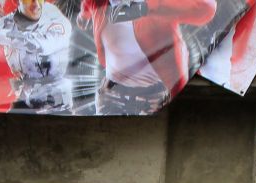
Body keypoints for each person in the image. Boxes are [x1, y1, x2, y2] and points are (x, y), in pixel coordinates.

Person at [78, 0, 217, 114]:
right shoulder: (97, 3)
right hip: (110, 94)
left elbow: (207, 7)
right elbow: (85, 10)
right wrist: (83, 18)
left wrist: (145, 7)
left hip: (154, 98)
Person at [0, 0, 74, 113]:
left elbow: (41, 45)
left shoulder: (56, 20)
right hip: (27, 96)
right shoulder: (7, 23)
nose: (36, 4)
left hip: (55, 100)